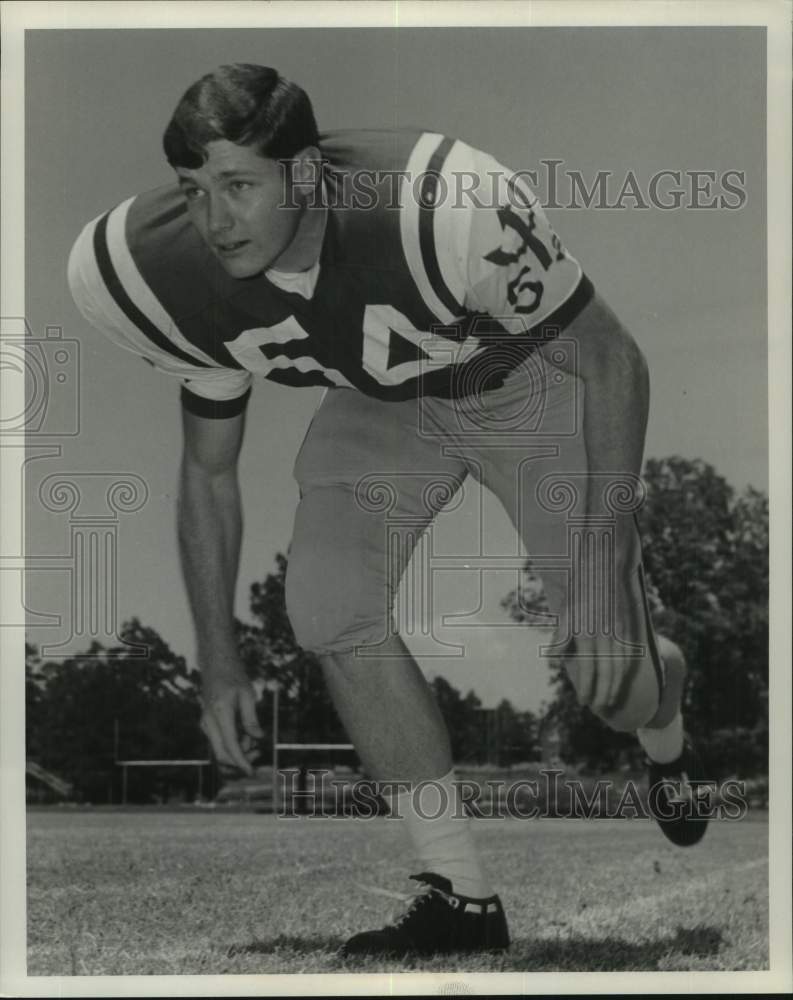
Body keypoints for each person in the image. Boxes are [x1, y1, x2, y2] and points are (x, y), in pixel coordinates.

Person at [68, 64, 709, 959]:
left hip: (515, 385)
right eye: (193, 190)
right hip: (381, 403)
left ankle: (667, 738)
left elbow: (613, 363)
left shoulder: (443, 207)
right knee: (325, 605)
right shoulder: (168, 268)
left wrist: (602, 587)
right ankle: (461, 895)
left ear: (304, 175)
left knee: (618, 688)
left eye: (238, 186)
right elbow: (208, 471)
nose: (213, 221)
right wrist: (217, 657)